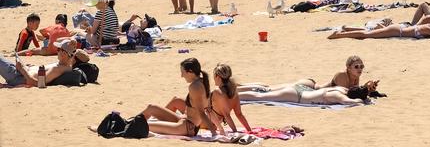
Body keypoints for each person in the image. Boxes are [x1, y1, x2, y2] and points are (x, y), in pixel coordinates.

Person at [141, 58, 218, 137]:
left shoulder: (195, 87)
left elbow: (201, 112)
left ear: (190, 72)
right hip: (183, 121)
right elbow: (208, 108)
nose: (181, 76)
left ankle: (131, 125)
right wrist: (220, 128)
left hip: (187, 127)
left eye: (183, 72)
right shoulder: (202, 81)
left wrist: (214, 133)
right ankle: (131, 122)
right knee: (151, 107)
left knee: (142, 125)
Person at [0, 38, 76, 87]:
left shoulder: (57, 69)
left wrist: (22, 69)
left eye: (59, 49)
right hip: (21, 72)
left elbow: (39, 84)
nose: (57, 51)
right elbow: (75, 54)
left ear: (64, 54)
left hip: (19, 77)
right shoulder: (66, 64)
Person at [208, 64, 251, 133]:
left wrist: (235, 132)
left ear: (217, 76)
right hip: (213, 122)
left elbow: (226, 115)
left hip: (205, 122)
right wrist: (249, 130)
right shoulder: (234, 92)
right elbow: (239, 114)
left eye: (214, 76)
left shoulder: (217, 92)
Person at [238, 84, 367, 106]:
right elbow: (353, 102)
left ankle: (237, 90)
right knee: (260, 97)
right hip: (296, 96)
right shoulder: (340, 96)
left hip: (301, 89)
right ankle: (234, 95)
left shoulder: (342, 89)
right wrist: (363, 101)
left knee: (264, 91)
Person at [328, 20, 430, 40]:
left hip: (398, 29)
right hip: (397, 31)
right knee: (366, 35)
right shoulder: (428, 29)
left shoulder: (428, 28)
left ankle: (347, 28)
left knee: (370, 32)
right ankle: (339, 35)